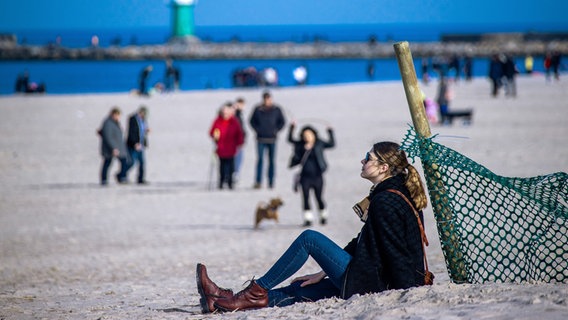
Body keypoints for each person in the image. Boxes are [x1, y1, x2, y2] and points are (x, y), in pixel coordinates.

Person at [195, 141, 430, 313]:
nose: (362, 161)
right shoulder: (392, 193)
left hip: (377, 282)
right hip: (372, 277)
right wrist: (324, 271)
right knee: (300, 289)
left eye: (368, 158)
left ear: (383, 168)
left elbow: (397, 252)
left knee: (309, 238)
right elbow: (365, 241)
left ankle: (252, 292)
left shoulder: (387, 200)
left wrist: (407, 292)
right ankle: (220, 300)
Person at [288, 122, 335, 226]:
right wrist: (291, 128)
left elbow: (332, 144)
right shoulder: (300, 145)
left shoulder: (319, 143)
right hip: (305, 177)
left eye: (309, 135)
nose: (307, 137)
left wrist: (330, 131)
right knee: (305, 197)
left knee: (319, 197)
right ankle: (307, 219)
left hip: (318, 176)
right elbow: (290, 140)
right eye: (305, 135)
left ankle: (323, 216)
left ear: (314, 134)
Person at [249, 91, 286, 189]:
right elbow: (251, 121)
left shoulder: (276, 109)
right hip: (260, 138)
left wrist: (276, 130)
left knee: (271, 161)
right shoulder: (258, 109)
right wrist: (257, 130)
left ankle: (270, 182)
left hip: (272, 139)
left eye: (269, 99)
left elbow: (282, 122)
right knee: (260, 160)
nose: (267, 101)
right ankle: (258, 182)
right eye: (266, 99)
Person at [209, 102, 245, 189]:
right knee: (222, 166)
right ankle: (221, 182)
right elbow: (212, 131)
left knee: (231, 166)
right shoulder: (218, 121)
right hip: (221, 148)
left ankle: (230, 182)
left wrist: (240, 143)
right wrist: (215, 136)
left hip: (231, 148)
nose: (225, 115)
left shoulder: (234, 122)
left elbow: (239, 133)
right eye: (224, 113)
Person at [98, 107, 129, 185]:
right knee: (107, 163)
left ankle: (122, 177)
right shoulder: (108, 123)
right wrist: (113, 148)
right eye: (117, 115)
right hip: (111, 148)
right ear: (113, 114)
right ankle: (104, 179)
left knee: (124, 161)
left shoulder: (115, 122)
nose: (118, 117)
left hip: (118, 147)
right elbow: (108, 136)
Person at [126, 106, 150, 184]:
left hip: (141, 145)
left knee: (142, 163)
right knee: (131, 162)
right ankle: (121, 175)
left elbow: (142, 132)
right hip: (134, 145)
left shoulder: (143, 120)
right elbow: (131, 132)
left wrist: (146, 131)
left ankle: (140, 179)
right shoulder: (133, 119)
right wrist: (135, 143)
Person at [232, 97, 247, 183]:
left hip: (240, 140)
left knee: (239, 158)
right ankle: (234, 174)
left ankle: (236, 173)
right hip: (234, 141)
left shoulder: (240, 114)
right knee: (235, 158)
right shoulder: (234, 114)